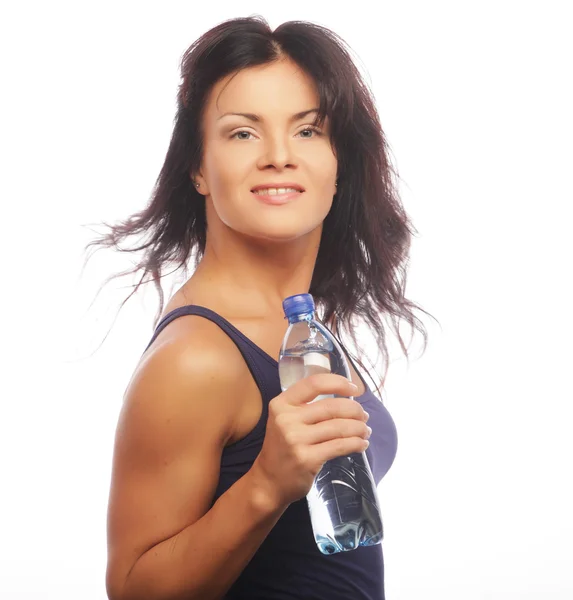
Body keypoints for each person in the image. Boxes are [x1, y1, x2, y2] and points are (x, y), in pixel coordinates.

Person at [89, 15, 433, 600]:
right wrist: (267, 483)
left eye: (308, 130)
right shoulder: (198, 359)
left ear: (338, 160)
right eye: (243, 133)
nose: (278, 155)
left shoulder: (297, 325)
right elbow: (132, 591)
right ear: (198, 168)